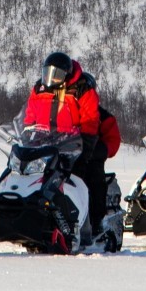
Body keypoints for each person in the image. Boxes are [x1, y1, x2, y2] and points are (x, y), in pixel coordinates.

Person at [23, 50, 106, 235]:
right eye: (48, 73)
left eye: (56, 74)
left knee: (81, 179)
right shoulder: (39, 88)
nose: (51, 79)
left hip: (71, 144)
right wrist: (27, 135)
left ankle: (90, 222)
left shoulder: (82, 88)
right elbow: (30, 116)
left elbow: (90, 120)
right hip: (43, 143)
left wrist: (85, 147)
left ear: (66, 74)